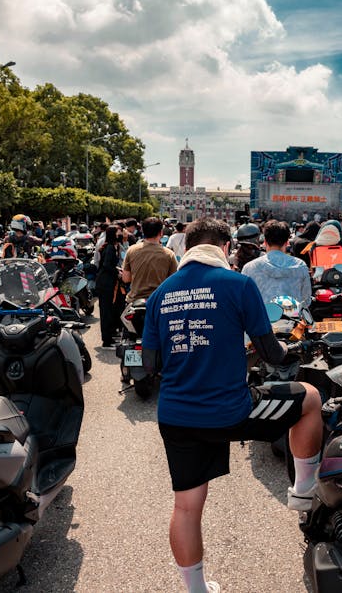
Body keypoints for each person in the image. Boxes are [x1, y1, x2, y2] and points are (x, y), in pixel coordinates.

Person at [143, 218, 323, 593]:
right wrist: (290, 347)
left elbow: (150, 366)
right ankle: (303, 491)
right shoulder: (239, 285)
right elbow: (270, 354)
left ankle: (196, 589)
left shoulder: (161, 295)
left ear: (186, 246)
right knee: (310, 397)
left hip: (177, 416)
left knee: (187, 508)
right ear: (225, 248)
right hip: (231, 411)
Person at [242, 220, 311, 308]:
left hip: (262, 319)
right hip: (293, 318)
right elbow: (306, 300)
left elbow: (245, 301)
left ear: (265, 242)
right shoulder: (300, 265)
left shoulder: (249, 268)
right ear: (287, 242)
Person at [122, 217, 177, 304]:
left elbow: (126, 279)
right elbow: (173, 282)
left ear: (143, 231)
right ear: (161, 233)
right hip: (159, 302)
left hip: (134, 301)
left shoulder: (131, 250)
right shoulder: (169, 254)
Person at [94, 226, 125, 347]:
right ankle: (106, 340)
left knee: (110, 310)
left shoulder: (112, 246)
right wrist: (117, 272)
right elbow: (106, 265)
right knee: (106, 312)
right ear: (113, 234)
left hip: (108, 283)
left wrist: (117, 269)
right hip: (105, 284)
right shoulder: (110, 247)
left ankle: (110, 336)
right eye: (118, 232)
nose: (121, 233)